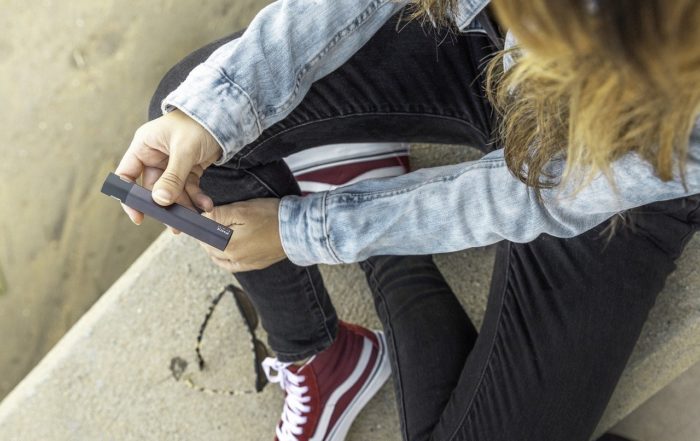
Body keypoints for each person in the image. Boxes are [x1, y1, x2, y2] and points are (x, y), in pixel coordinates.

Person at [116, 0, 700, 440]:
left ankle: (366, 189)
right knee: (192, 122)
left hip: (624, 178)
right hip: (491, 38)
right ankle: (323, 355)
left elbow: (526, 194)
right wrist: (214, 111)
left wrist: (310, 230)